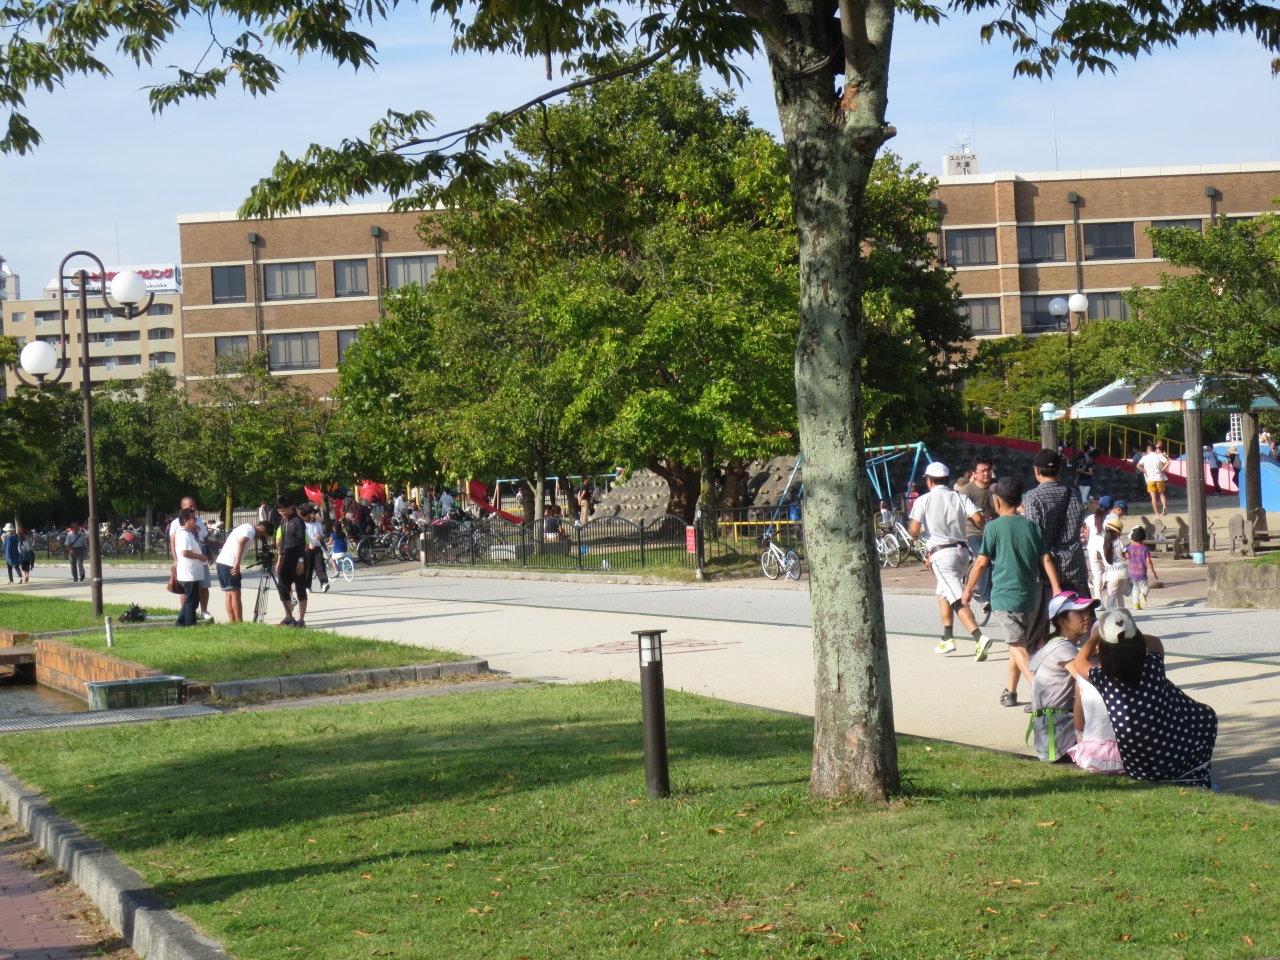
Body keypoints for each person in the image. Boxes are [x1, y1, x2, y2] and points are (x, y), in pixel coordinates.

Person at [1072, 609, 1217, 787]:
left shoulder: (1105, 680)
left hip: (1139, 767)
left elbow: (1080, 660)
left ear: (1102, 648)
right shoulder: (1152, 667)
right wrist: (1130, 632)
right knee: (1205, 715)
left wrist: (1098, 636)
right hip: (1178, 756)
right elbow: (1155, 641)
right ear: (1138, 642)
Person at [963, 477, 1062, 707]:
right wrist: (1057, 588)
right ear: (1019, 502)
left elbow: (981, 562)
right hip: (1031, 596)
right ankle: (1011, 691)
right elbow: (1046, 559)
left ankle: (1043, 693)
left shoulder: (993, 527)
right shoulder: (1032, 526)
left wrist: (967, 590)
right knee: (1019, 645)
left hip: (1005, 596)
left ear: (996, 502)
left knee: (1016, 645)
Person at [908, 461, 994, 659]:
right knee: (943, 594)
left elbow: (914, 529)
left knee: (957, 600)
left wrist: (915, 534)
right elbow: (978, 518)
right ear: (946, 480)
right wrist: (985, 532)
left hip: (941, 555)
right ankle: (947, 638)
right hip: (963, 553)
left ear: (930, 481)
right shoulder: (959, 496)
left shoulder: (923, 500)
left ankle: (979, 637)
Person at [1027, 591, 1100, 762]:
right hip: (1057, 737)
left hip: (1053, 732)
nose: (1087, 617)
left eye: (1087, 611)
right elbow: (1091, 681)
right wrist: (1098, 637)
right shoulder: (1062, 648)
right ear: (1062, 622)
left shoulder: (1054, 644)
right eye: (1079, 613)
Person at [1023, 449, 1089, 600]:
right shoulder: (1074, 494)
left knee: (1044, 615)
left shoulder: (1033, 497)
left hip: (1046, 572)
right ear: (1059, 468)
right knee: (1081, 614)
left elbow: (1034, 536)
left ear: (1037, 471)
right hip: (1076, 567)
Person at [955, 456, 997, 615]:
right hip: (973, 533)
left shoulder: (995, 489)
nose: (986, 473)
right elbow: (959, 512)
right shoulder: (966, 491)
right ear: (974, 473)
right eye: (982, 471)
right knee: (984, 559)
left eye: (989, 470)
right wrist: (972, 516)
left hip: (992, 530)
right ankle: (986, 598)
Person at [168, 497, 214, 621]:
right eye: (190, 506)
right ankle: (187, 614)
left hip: (201, 560)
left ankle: (203, 611)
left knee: (203, 586)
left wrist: (209, 554)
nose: (193, 508)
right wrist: (176, 559)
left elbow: (205, 538)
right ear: (182, 507)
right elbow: (174, 543)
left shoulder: (198, 520)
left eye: (194, 505)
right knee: (188, 591)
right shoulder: (177, 524)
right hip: (188, 563)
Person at [214, 520, 268, 622]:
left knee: (229, 593)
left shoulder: (244, 526)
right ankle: (239, 621)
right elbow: (241, 543)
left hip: (221, 562)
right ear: (260, 529)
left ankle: (232, 621)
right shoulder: (250, 530)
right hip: (230, 563)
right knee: (235, 594)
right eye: (263, 536)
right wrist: (237, 563)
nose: (261, 538)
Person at [275, 497, 309, 628]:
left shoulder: (298, 521)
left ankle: (301, 620)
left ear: (290, 507)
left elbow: (301, 541)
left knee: (300, 588)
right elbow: (282, 542)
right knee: (283, 587)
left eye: (284, 510)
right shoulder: (283, 521)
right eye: (280, 511)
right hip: (286, 558)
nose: (282, 513)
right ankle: (288, 617)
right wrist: (279, 559)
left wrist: (301, 560)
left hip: (297, 557)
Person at [173, 509, 207, 627]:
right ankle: (190, 624)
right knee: (192, 602)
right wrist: (201, 557)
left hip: (192, 573)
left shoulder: (189, 533)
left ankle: (180, 623)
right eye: (192, 517)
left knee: (190, 601)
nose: (195, 520)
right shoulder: (183, 534)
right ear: (186, 520)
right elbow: (185, 552)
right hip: (189, 573)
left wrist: (197, 533)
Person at [1084, 495, 1114, 601]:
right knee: (1109, 571)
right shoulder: (1110, 520)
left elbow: (1086, 536)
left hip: (1092, 548)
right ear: (1110, 509)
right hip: (1105, 548)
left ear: (1098, 505)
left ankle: (1098, 599)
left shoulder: (1089, 518)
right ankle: (1111, 599)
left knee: (1097, 575)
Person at [301, 503, 330, 594]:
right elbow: (302, 536)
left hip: (317, 547)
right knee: (308, 567)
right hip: (308, 548)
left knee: (320, 565)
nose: (313, 515)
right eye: (311, 513)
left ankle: (324, 583)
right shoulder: (303, 525)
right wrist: (308, 544)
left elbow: (321, 534)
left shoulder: (318, 524)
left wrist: (319, 536)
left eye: (314, 513)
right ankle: (307, 586)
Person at [1126, 526, 1156, 610]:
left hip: (1132, 573)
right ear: (1143, 537)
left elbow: (1125, 558)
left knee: (1135, 588)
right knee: (1145, 588)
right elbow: (1148, 561)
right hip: (1142, 573)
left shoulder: (1129, 548)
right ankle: (1143, 594)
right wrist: (1153, 571)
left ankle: (1136, 605)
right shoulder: (1145, 549)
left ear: (1132, 537)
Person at [1137, 443, 1170, 517]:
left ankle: (1157, 514)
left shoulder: (1145, 457)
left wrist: (1145, 471)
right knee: (1161, 494)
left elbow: (1138, 465)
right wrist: (1162, 470)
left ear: (1148, 449)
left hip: (1150, 479)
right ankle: (1164, 506)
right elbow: (1168, 463)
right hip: (1159, 477)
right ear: (1154, 449)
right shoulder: (1159, 456)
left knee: (1153, 497)